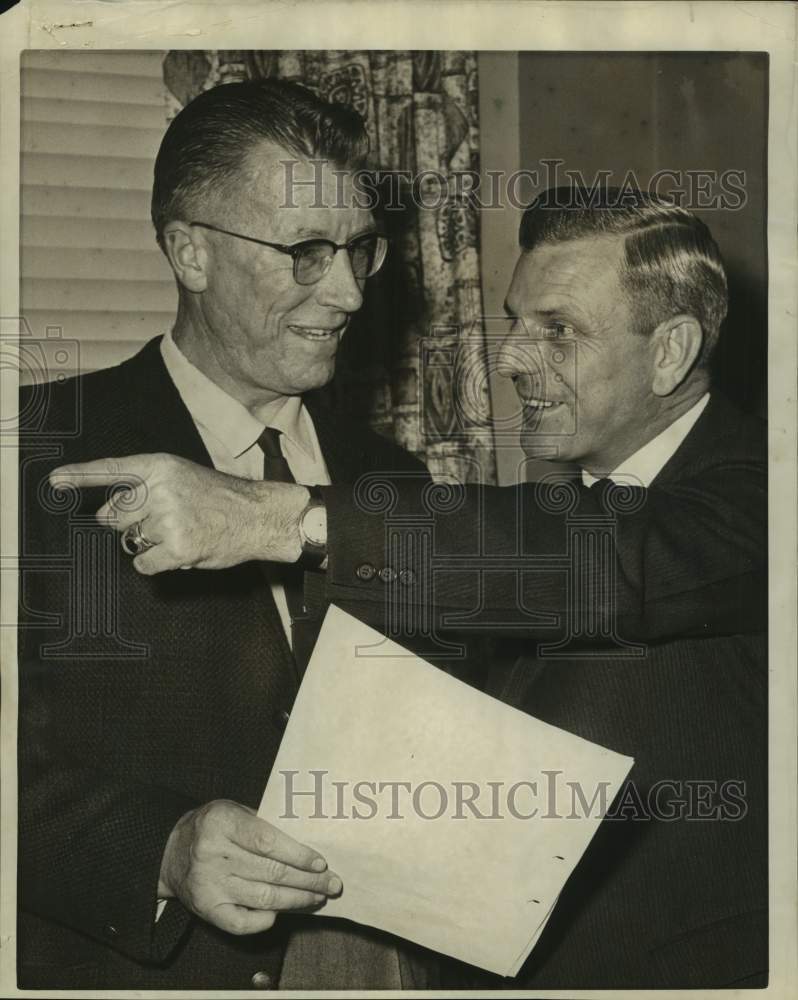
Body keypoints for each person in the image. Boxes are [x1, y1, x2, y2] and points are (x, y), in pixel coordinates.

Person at [57, 188, 768, 989]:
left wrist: (274, 519)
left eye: (558, 331)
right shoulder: (557, 505)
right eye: (515, 321)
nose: (510, 360)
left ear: (670, 351)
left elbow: (606, 567)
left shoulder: (763, 489)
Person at [17, 78, 440, 990]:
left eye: (361, 250)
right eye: (306, 252)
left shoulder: (396, 482)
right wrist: (159, 850)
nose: (348, 292)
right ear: (190, 253)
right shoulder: (34, 457)